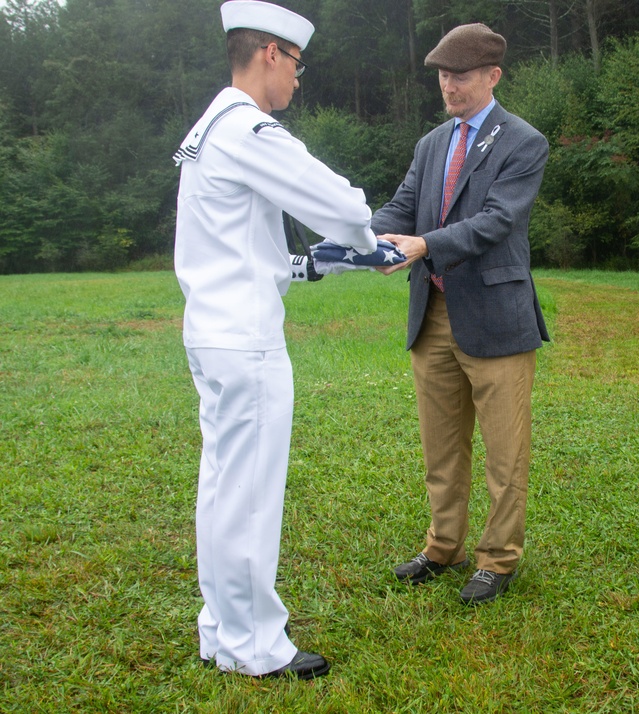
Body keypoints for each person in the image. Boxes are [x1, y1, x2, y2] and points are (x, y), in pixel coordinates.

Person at [173, 0, 377, 678]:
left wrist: (313, 263)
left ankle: (222, 629)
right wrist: (369, 245)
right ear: (269, 54)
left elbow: (237, 246)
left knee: (224, 488)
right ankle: (255, 645)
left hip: (214, 331)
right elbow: (345, 206)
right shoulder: (246, 129)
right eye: (296, 63)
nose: (297, 79)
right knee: (250, 495)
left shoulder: (208, 127)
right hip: (247, 339)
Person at [374, 23, 549, 605]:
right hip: (434, 315)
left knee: (505, 453)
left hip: (497, 317)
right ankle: (442, 546)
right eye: (444, 74)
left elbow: (498, 220)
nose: (449, 85)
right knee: (441, 447)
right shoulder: (431, 144)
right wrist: (358, 233)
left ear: (493, 76)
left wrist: (423, 244)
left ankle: (498, 560)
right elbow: (401, 206)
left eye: (462, 75)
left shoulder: (523, 142)